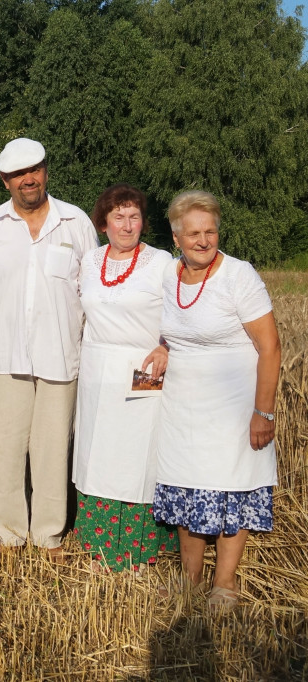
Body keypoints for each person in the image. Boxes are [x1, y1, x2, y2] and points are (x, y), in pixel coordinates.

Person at [0, 138, 99, 558]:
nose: (28, 179)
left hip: (63, 357)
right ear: (5, 181)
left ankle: (48, 534)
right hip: (4, 359)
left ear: (45, 171)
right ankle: (8, 532)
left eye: (34, 170)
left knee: (53, 448)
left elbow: (94, 294)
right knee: (6, 445)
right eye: (18, 174)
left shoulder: (76, 223)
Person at [152, 190, 280, 611]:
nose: (203, 240)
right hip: (182, 407)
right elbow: (176, 330)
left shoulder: (239, 275)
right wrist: (164, 349)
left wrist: (263, 413)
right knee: (188, 487)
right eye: (193, 233)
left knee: (231, 489)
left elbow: (271, 348)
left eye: (210, 231)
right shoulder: (170, 276)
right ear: (177, 239)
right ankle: (190, 580)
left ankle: (224, 583)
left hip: (233, 405)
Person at [72, 184, 178, 573]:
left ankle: (136, 549)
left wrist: (166, 347)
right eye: (118, 216)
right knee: (96, 453)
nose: (127, 224)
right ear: (103, 223)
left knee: (137, 457)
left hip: (143, 371)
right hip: (97, 369)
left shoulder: (161, 261)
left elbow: (180, 311)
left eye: (134, 216)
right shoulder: (89, 261)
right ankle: (98, 546)